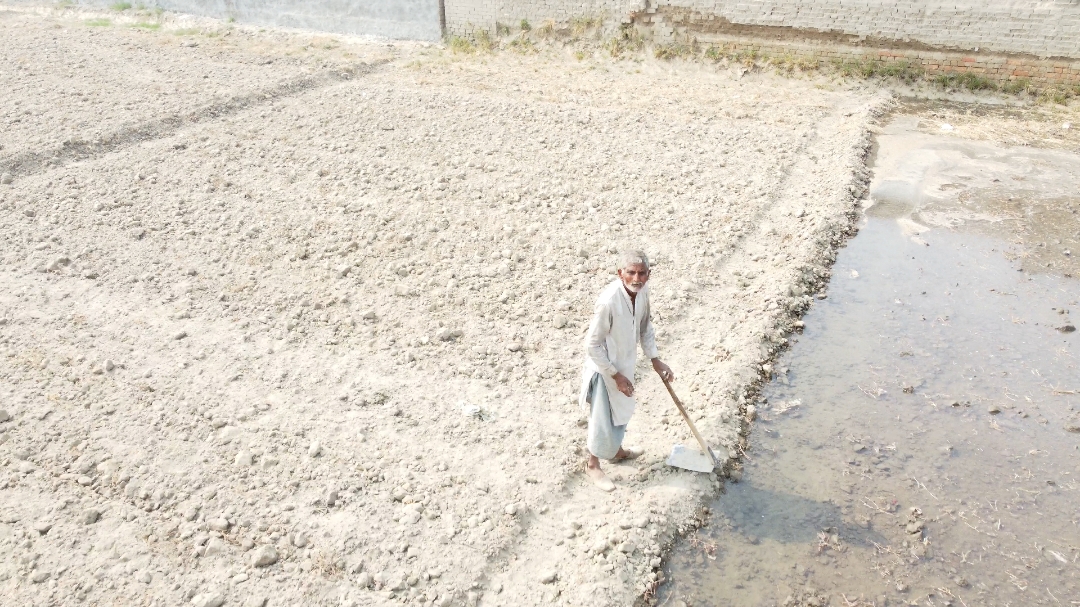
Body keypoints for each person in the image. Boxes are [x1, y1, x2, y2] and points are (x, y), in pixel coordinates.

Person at [579, 250, 675, 491]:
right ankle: (593, 465)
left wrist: (656, 360)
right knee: (602, 417)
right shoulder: (609, 301)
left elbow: (645, 327)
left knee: (622, 410)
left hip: (625, 364)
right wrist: (615, 374)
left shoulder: (642, 293)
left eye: (642, 273)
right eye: (631, 272)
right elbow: (592, 344)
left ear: (649, 275)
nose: (636, 278)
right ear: (619, 273)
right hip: (604, 369)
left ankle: (617, 451)